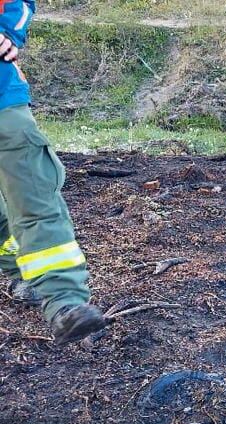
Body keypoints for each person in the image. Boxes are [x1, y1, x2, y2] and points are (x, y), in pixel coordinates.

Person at [1, 0, 106, 345]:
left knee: (35, 193)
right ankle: (19, 271)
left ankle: (65, 304)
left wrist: (9, 30)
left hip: (4, 100)